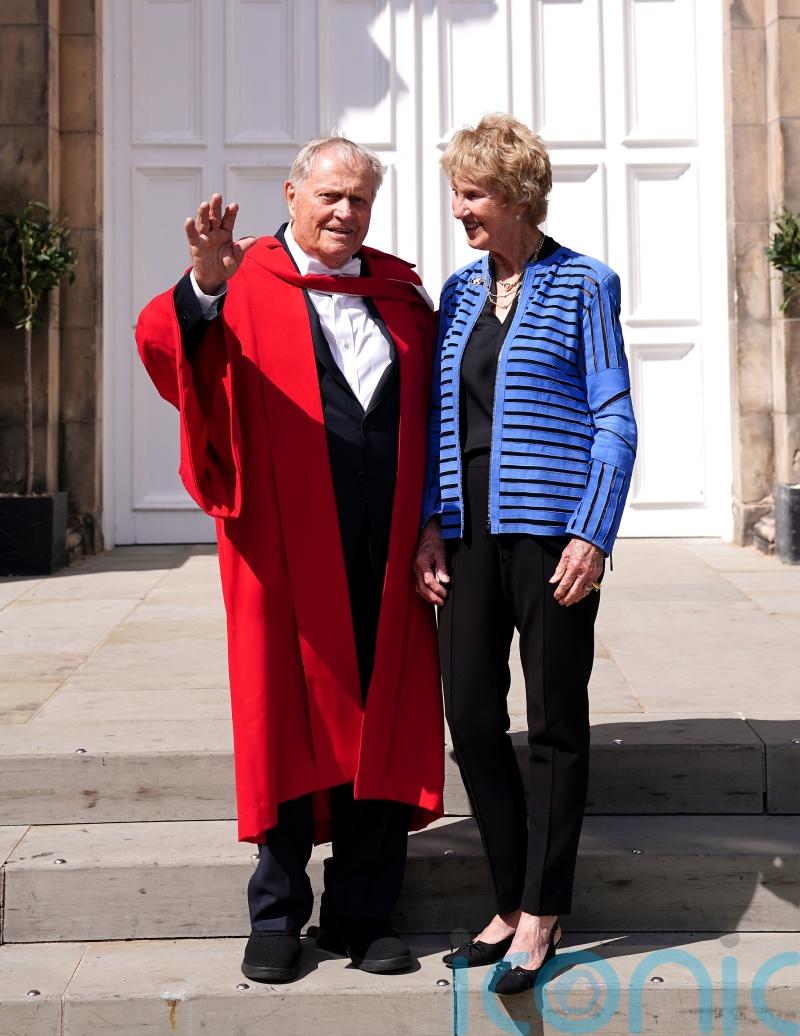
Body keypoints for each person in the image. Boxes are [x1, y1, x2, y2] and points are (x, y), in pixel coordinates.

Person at [137, 136, 444, 984]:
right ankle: (275, 916)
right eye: (331, 196)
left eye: (360, 200)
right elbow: (171, 353)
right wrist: (203, 281)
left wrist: (433, 524)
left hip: (386, 551)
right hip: (283, 545)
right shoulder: (244, 281)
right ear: (292, 192)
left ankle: (362, 913)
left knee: (380, 712)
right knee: (284, 715)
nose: (345, 213)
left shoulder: (402, 295)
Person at [413, 114, 637, 995]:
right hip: (467, 538)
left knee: (554, 723)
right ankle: (507, 896)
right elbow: (444, 420)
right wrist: (432, 522)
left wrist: (595, 529)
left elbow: (613, 414)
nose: (460, 211)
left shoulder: (585, 284)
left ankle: (542, 911)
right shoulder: (461, 294)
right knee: (469, 716)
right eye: (457, 194)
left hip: (553, 542)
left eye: (471, 195)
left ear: (515, 196)